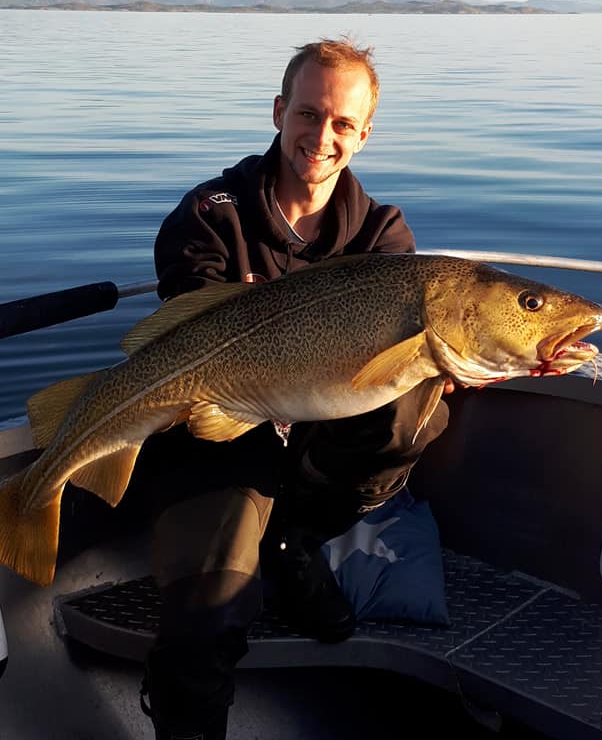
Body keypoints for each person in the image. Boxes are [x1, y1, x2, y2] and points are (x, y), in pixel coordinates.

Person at [140, 37, 450, 740]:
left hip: (320, 438)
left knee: (416, 400)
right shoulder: (211, 214)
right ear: (280, 111)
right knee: (204, 621)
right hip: (216, 429)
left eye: (343, 123)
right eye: (309, 114)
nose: (322, 136)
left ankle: (295, 542)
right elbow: (187, 335)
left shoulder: (383, 234)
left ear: (364, 135)